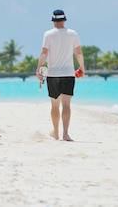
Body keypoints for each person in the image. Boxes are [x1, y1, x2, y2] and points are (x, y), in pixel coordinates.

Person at [36, 9, 85, 142]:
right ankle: (66, 134)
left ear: (53, 21)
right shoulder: (72, 34)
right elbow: (79, 52)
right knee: (67, 105)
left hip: (53, 74)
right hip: (68, 74)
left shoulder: (48, 34)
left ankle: (56, 133)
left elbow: (44, 53)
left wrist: (39, 67)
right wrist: (82, 67)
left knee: (55, 105)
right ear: (64, 20)